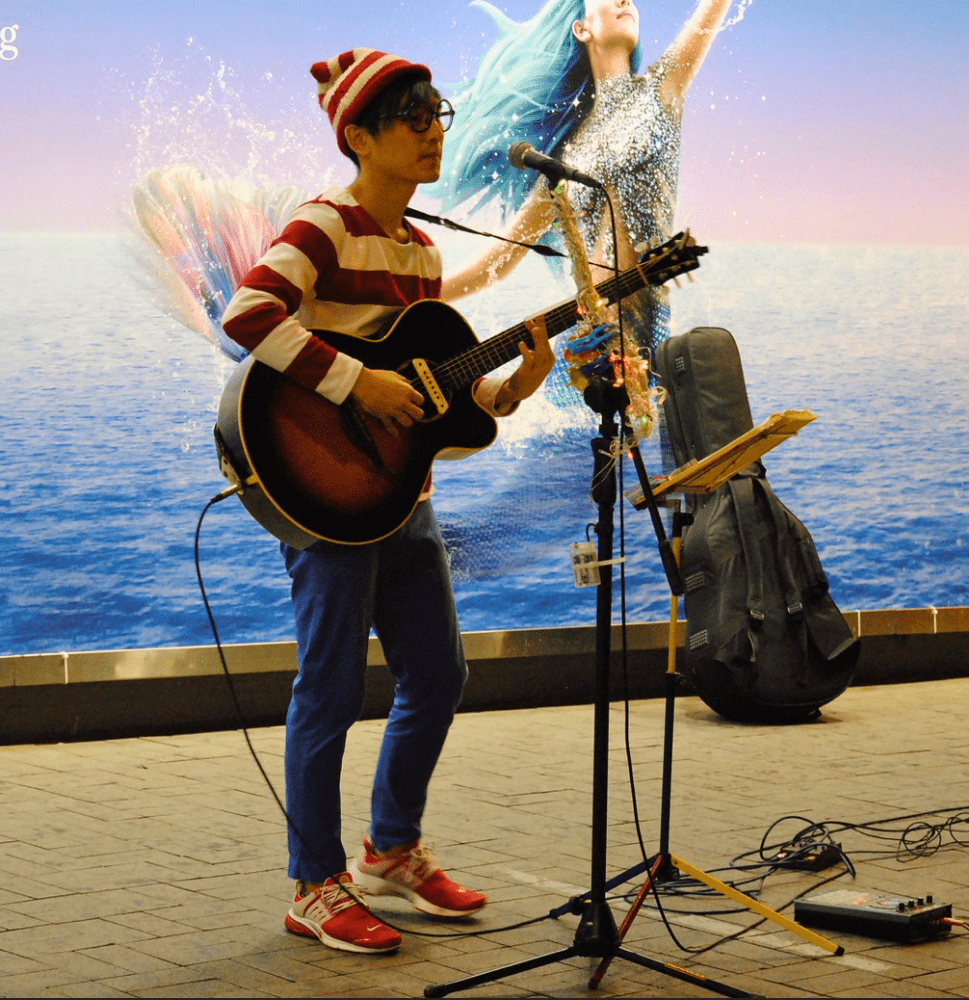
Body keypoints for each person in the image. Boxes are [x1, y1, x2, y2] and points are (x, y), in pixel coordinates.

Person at [219, 48, 554, 955]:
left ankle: (391, 850)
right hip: (327, 496)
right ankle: (313, 884)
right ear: (358, 136)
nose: (434, 128)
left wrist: (511, 389)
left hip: (404, 496)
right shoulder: (322, 226)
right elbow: (248, 315)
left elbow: (439, 396)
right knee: (328, 689)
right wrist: (354, 387)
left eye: (436, 110)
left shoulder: (420, 252)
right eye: (411, 114)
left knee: (439, 675)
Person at [439, 0, 735, 361]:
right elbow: (498, 262)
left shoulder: (661, 91)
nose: (626, 1)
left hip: (646, 347)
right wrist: (415, 296)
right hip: (582, 356)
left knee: (654, 412)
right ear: (582, 29)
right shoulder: (564, 162)